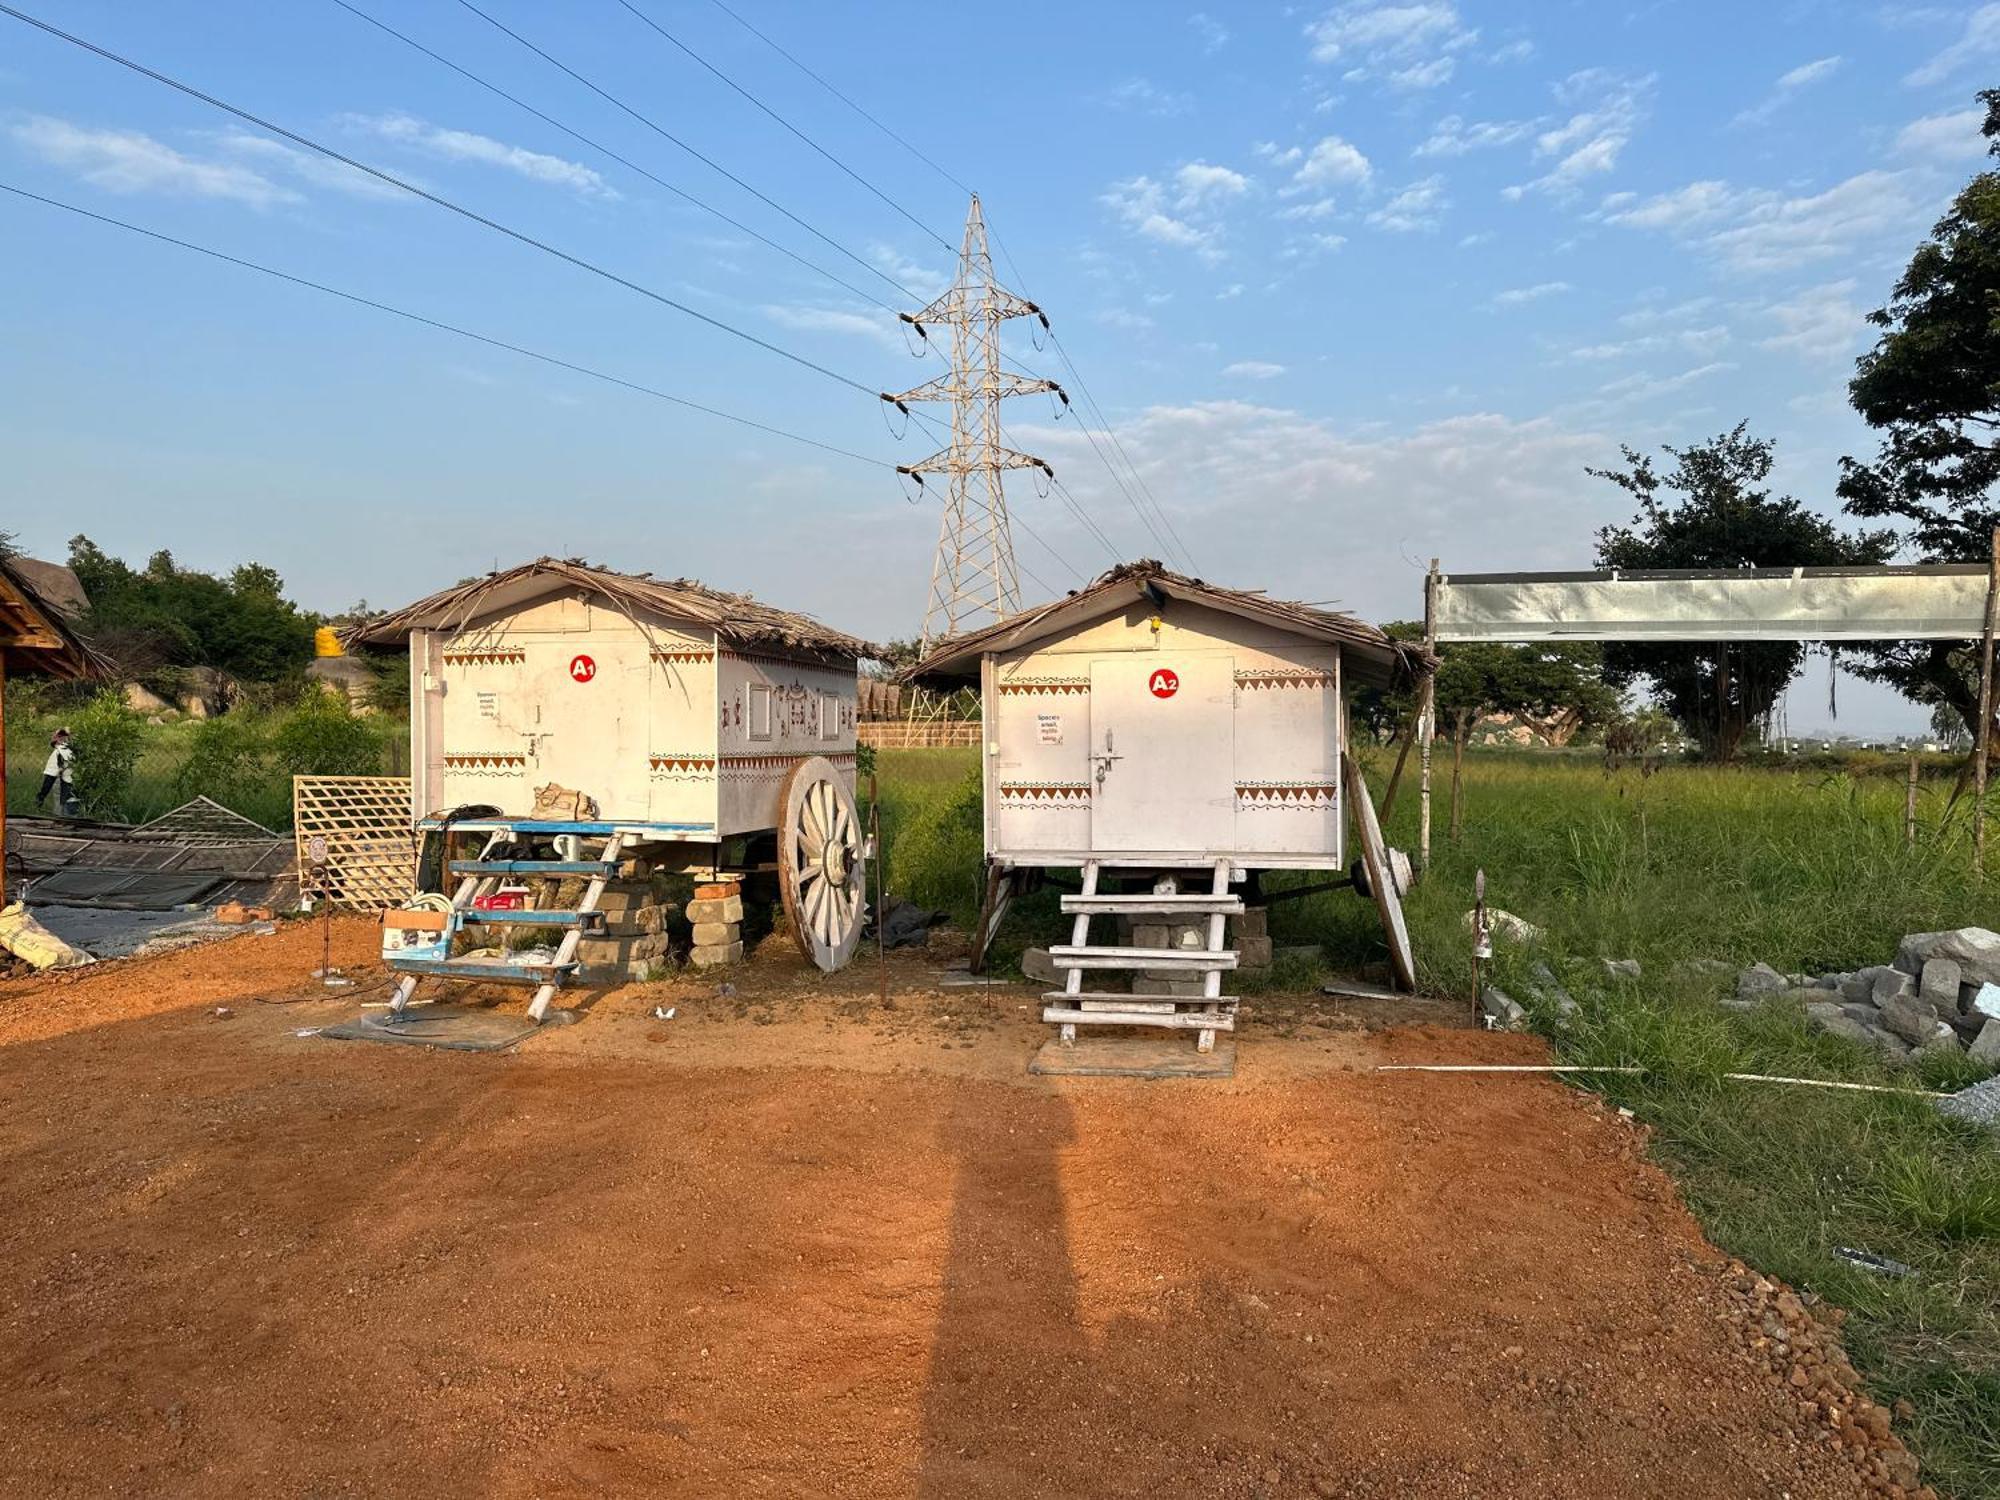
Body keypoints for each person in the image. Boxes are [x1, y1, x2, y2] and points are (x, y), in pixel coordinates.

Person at [38, 728, 79, 817]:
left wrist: (41, 796)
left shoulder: (57, 753)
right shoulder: (75, 751)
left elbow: (50, 777)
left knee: (61, 817)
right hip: (77, 788)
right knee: (75, 816)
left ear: (58, 738)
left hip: (63, 789)